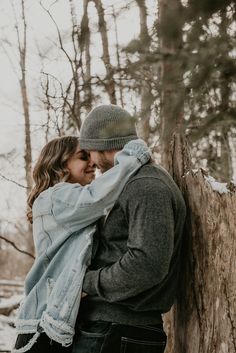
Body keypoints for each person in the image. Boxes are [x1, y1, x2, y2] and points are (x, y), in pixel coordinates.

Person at [12, 135, 151, 353]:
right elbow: (98, 197)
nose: (92, 163)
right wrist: (133, 156)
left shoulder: (69, 203)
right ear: (59, 163)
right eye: (82, 157)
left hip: (54, 320)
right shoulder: (56, 197)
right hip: (43, 324)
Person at [73, 104, 187, 353]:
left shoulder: (146, 185)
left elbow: (147, 265)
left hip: (120, 330)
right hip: (114, 328)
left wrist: (86, 281)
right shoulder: (131, 182)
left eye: (90, 151)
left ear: (104, 144)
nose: (92, 161)